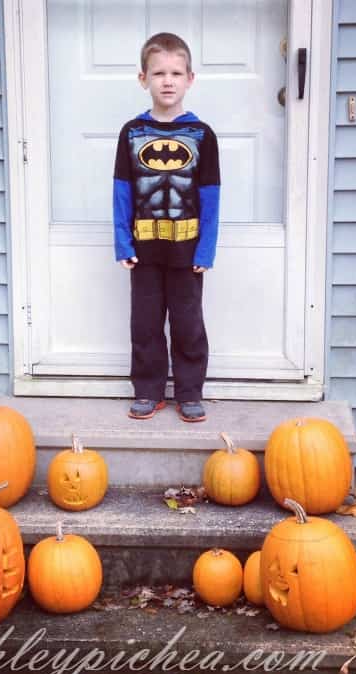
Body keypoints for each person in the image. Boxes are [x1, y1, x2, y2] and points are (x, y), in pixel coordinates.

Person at [113, 32, 220, 423]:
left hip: (187, 249)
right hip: (144, 247)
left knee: (188, 323)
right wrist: (122, 241)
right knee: (145, 323)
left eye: (176, 72)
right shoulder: (132, 133)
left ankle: (190, 391)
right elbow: (122, 192)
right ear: (143, 78)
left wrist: (206, 249)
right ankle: (148, 390)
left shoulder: (202, 135)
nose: (168, 80)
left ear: (190, 78)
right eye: (159, 73)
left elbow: (211, 196)